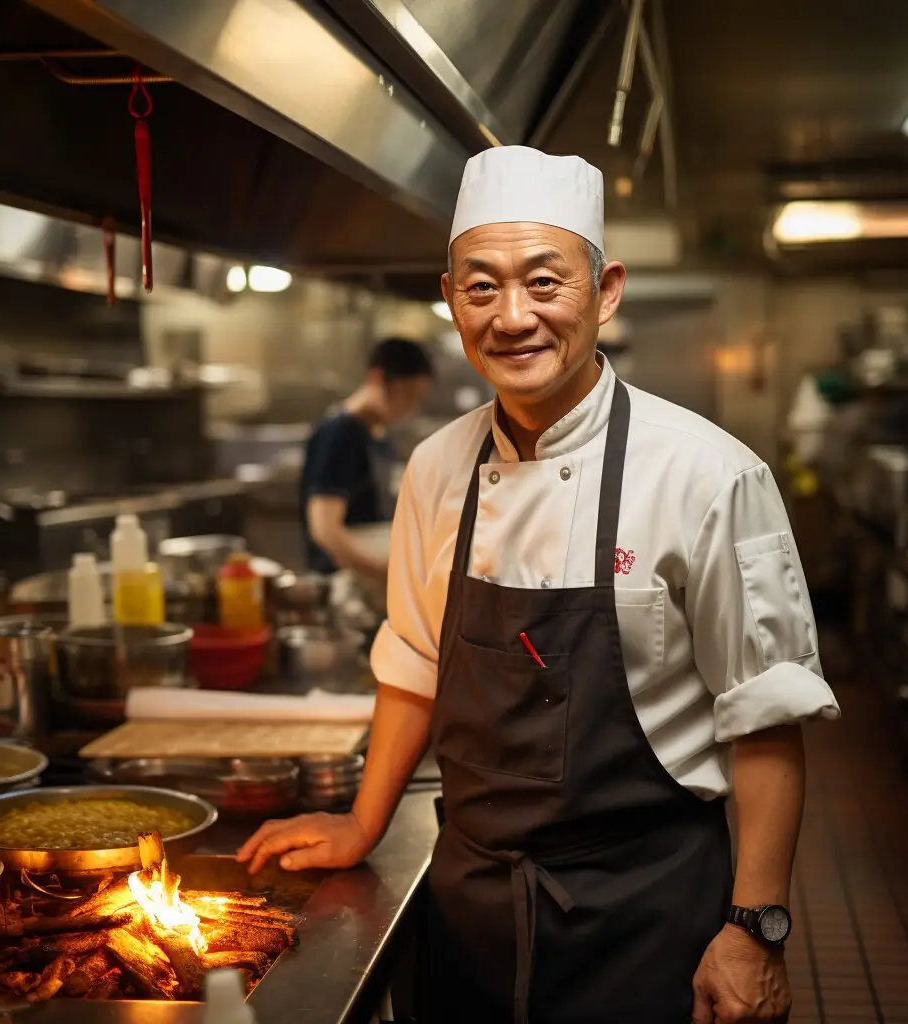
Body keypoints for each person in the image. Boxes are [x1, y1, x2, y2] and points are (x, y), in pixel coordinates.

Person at [241, 146, 841, 1024]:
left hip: (647, 912)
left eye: (544, 282)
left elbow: (765, 719)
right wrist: (363, 825)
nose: (513, 317)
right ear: (450, 301)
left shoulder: (709, 475)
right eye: (481, 287)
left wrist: (755, 927)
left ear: (605, 292)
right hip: (469, 906)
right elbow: (413, 660)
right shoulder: (436, 467)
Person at [299, 337, 433, 581]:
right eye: (408, 394)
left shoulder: (378, 435)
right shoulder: (339, 435)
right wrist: (383, 574)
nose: (412, 407)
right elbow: (325, 530)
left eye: (418, 397)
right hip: (341, 580)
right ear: (377, 379)